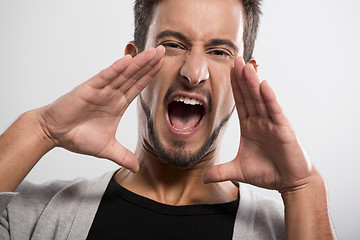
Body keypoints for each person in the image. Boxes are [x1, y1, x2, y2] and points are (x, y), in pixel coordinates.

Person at [0, 0, 336, 239]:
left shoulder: (287, 231)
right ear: (133, 61)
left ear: (245, 77)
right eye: (173, 45)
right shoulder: (40, 217)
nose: (193, 73)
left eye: (219, 52)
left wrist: (304, 188)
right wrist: (39, 128)